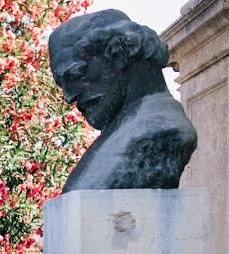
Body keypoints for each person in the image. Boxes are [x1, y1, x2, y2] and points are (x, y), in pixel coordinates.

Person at [49, 10, 197, 191]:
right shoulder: (121, 132)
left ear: (118, 54)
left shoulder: (161, 132)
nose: (69, 96)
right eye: (62, 84)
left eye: (77, 74)